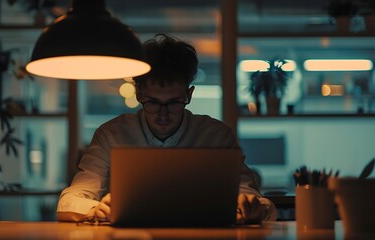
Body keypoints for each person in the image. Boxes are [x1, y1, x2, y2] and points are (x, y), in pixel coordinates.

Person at [57, 34, 277, 223]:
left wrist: (252, 207)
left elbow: (258, 201)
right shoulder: (110, 135)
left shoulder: (217, 135)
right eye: (153, 103)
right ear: (139, 94)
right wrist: (94, 209)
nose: (163, 115)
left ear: (188, 95)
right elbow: (70, 200)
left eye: (173, 103)